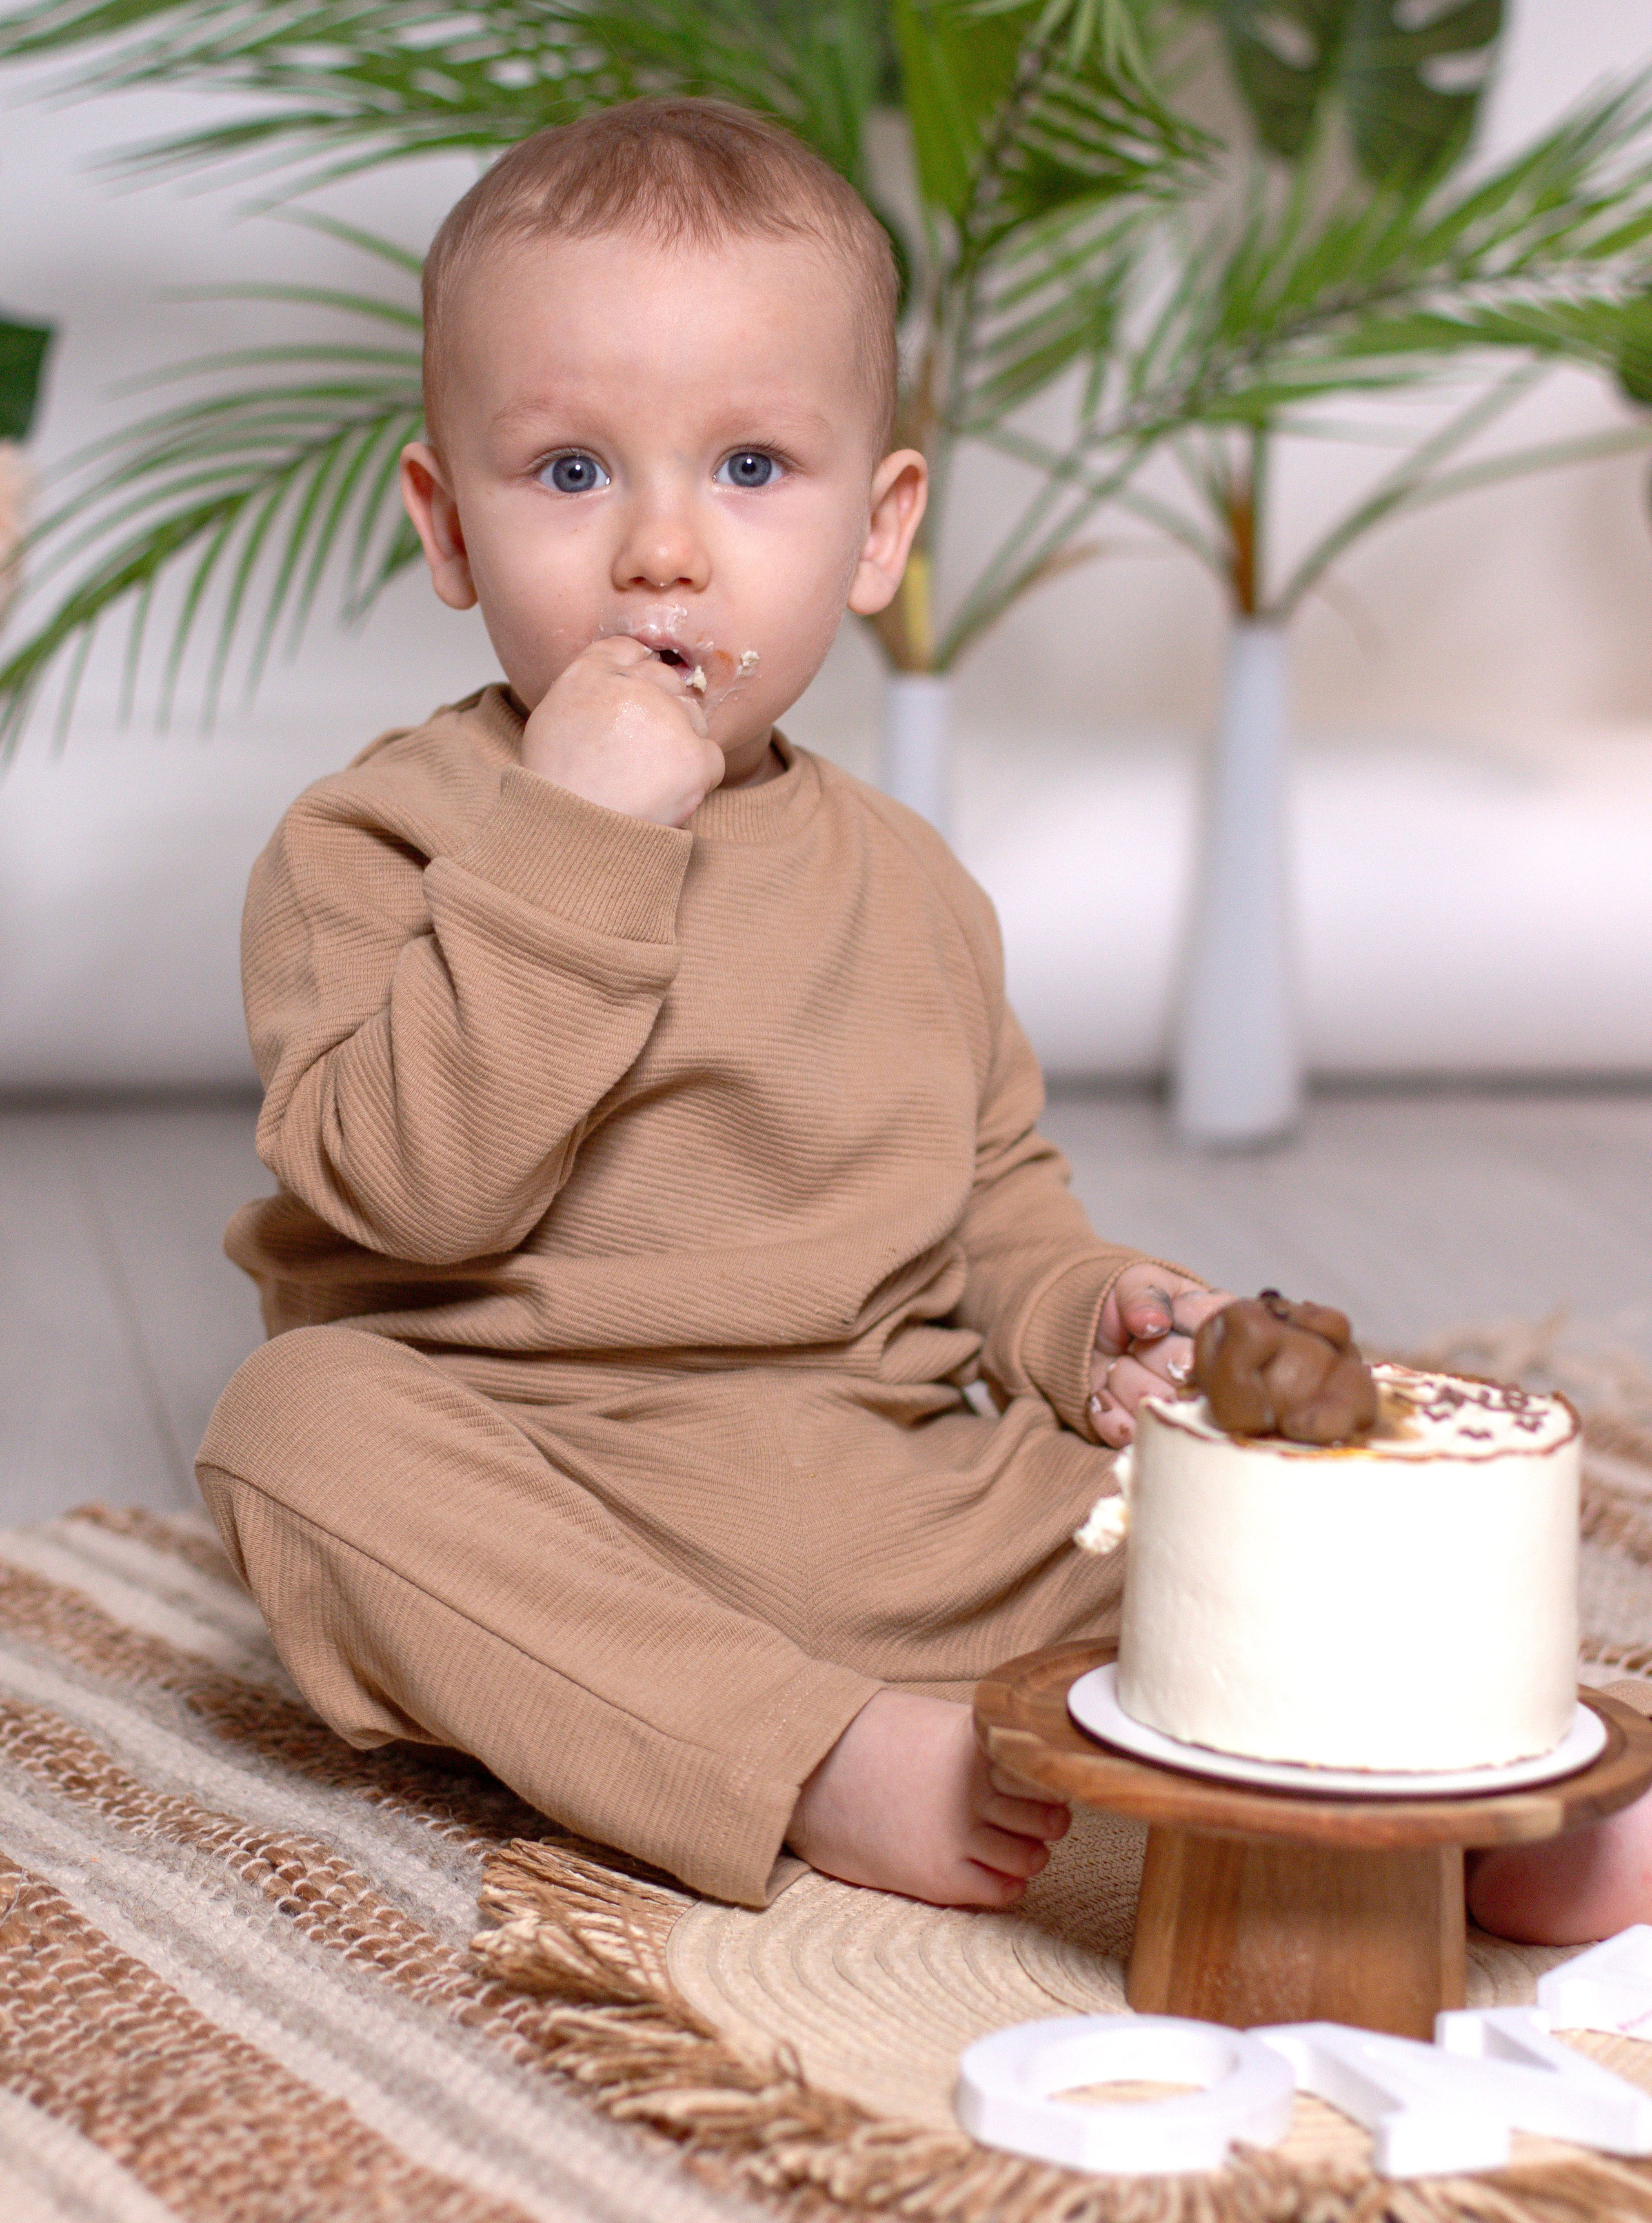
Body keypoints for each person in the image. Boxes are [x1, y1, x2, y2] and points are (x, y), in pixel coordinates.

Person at [197, 95, 1224, 1911]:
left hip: (908, 1511)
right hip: (552, 1519)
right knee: (296, 1431)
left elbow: (989, 1209)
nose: (663, 550)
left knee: (1303, 1477)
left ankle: (1451, 1794)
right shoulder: (370, 846)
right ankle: (807, 1755)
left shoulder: (909, 881)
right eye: (574, 472)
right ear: (447, 529)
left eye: (751, 468)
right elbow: (424, 1194)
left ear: (878, 529)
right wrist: (576, 847)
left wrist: (1086, 1320)